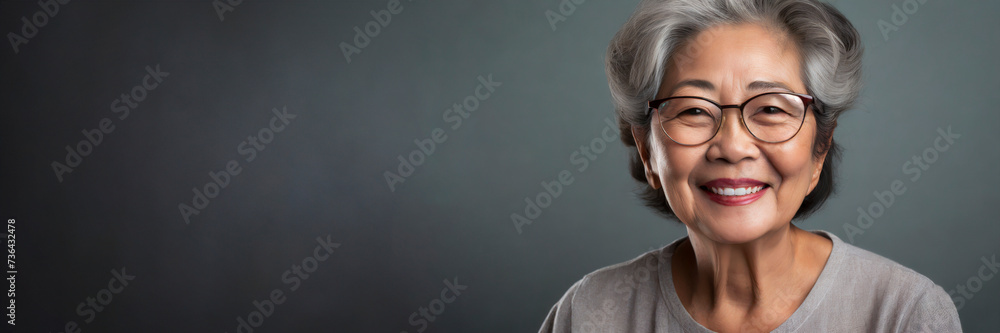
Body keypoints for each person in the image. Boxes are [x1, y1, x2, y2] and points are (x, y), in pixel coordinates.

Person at [538, 0, 962, 332]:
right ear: (647, 151)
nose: (733, 146)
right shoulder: (590, 313)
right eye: (693, 111)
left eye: (771, 109)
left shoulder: (904, 314)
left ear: (821, 147)